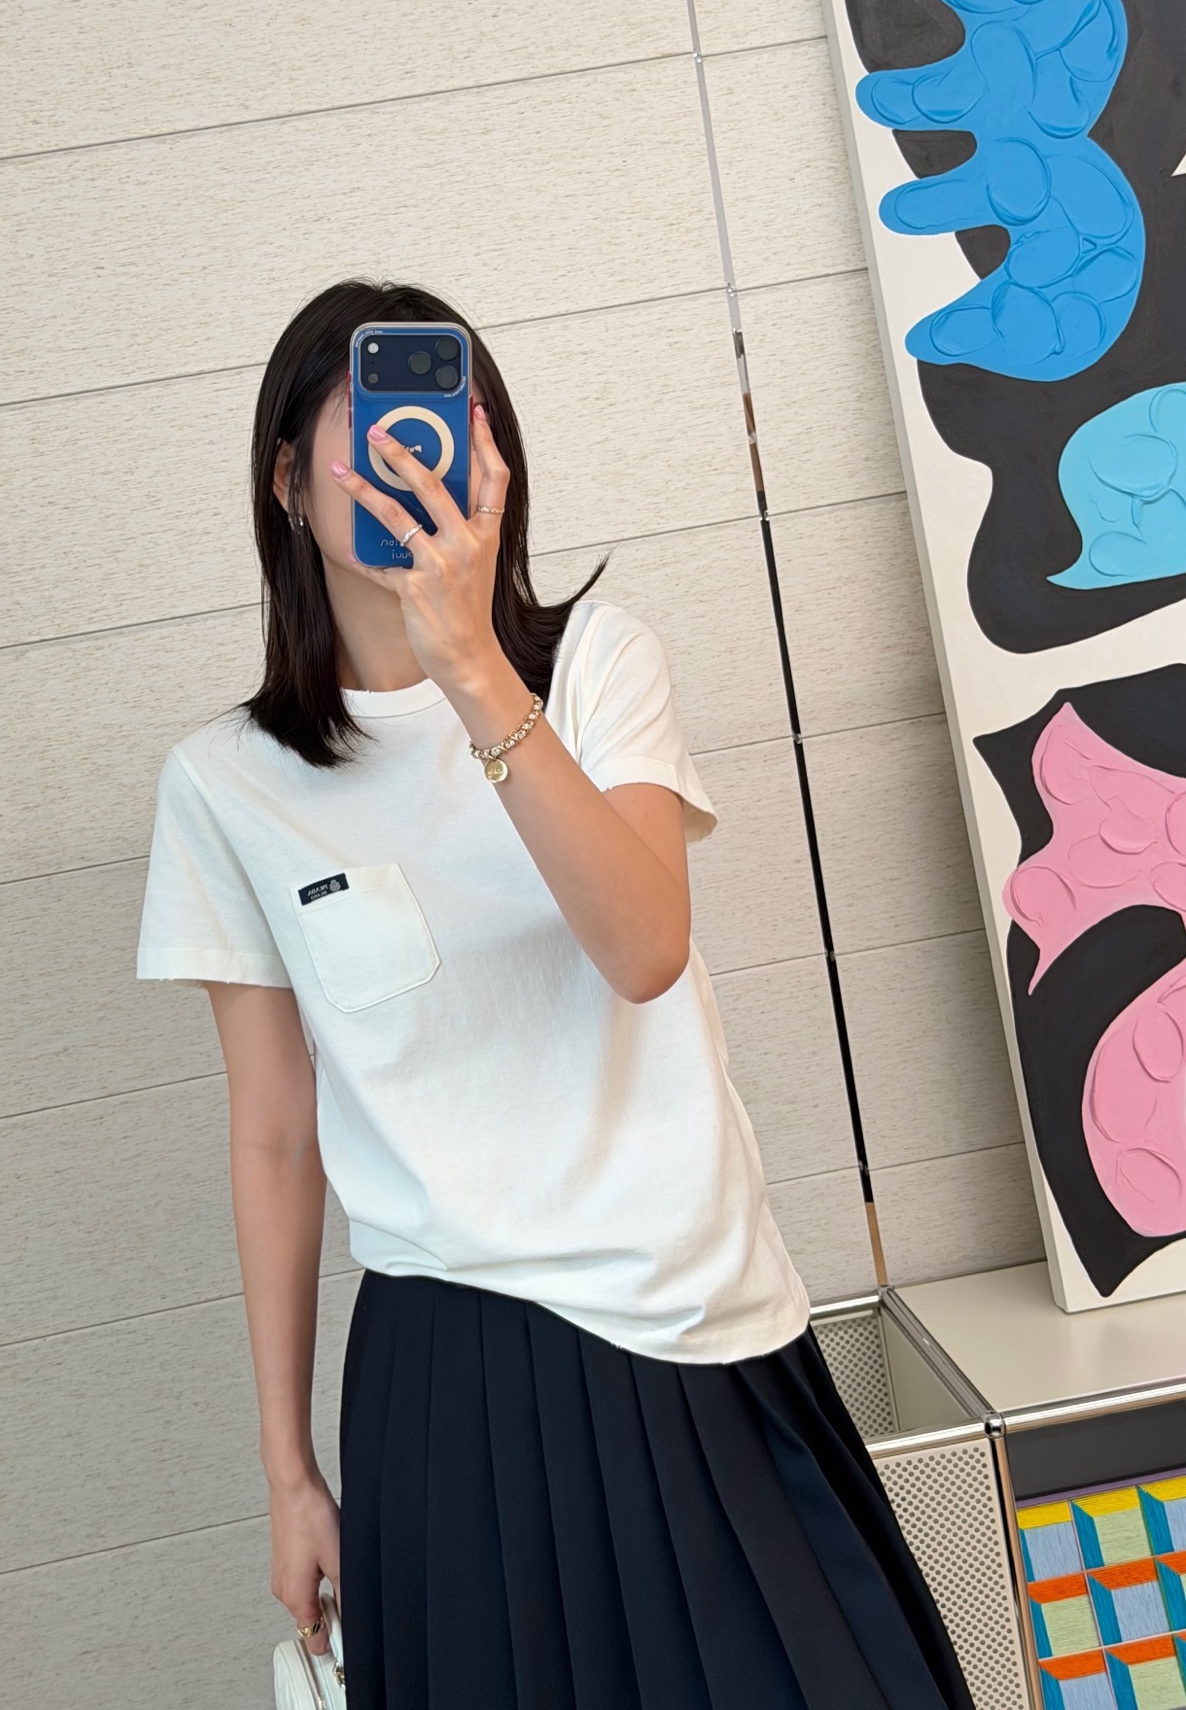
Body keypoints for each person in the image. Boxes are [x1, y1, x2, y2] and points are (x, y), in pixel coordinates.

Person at [135, 278, 976, 1709]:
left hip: (694, 1323)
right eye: (371, 438)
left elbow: (643, 947)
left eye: (440, 431)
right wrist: (289, 1471)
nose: (409, 465)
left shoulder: (595, 666)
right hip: (450, 1364)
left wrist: (472, 668)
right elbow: (274, 1138)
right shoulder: (226, 785)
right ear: (286, 481)